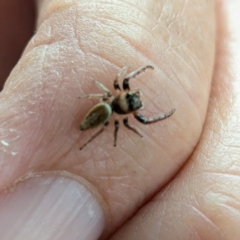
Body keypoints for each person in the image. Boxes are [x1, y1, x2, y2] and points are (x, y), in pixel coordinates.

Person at [0, 0, 239, 239]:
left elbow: (120, 84)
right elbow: (124, 90)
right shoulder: (114, 105)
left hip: (104, 108)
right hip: (103, 109)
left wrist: (138, 81)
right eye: (133, 98)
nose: (135, 98)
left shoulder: (111, 98)